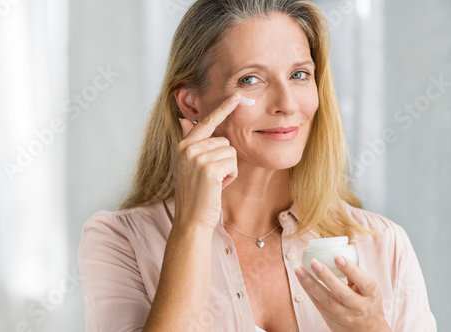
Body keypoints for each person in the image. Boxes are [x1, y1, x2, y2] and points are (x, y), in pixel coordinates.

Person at [78, 0, 437, 331]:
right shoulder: (121, 242)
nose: (286, 103)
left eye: (299, 75)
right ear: (191, 103)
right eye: (251, 79)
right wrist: (193, 227)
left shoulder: (384, 245)